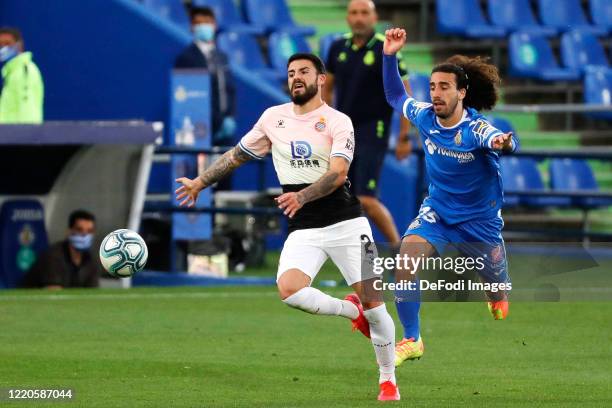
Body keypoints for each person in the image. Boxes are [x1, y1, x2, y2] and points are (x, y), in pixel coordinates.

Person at [176, 53, 401, 401]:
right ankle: (349, 310)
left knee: (376, 304)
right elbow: (237, 155)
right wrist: (199, 183)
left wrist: (303, 196)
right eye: (291, 73)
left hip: (348, 223)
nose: (296, 77)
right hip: (305, 228)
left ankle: (388, 379)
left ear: (321, 79)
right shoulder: (273, 119)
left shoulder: (338, 121)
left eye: (304, 72)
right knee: (290, 291)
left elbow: (338, 173)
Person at [382, 28, 519, 367]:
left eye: (444, 87)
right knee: (406, 260)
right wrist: (388, 56)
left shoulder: (477, 129)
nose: (436, 94)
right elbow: (395, 98)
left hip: (480, 221)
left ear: (462, 92)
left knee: (496, 290)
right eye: (432, 87)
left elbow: (499, 140)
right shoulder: (425, 116)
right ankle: (412, 339)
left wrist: (506, 144)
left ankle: (498, 288)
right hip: (439, 213)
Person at [323, 0, 412, 245]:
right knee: (347, 199)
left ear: (374, 18)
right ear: (348, 18)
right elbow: (327, 89)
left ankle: (398, 248)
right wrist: (324, 124)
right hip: (344, 133)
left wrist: (404, 136)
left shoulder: (386, 48)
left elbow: (405, 94)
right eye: (354, 13)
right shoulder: (337, 47)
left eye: (364, 13)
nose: (359, 18)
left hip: (374, 130)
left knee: (366, 198)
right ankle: (360, 260)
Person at [175, 6, 235, 144]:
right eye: (199, 23)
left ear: (214, 26)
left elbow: (230, 89)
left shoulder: (222, 57)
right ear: (192, 27)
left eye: (207, 22)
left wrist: (230, 116)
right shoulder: (186, 58)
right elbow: (189, 96)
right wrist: (216, 121)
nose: (204, 27)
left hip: (225, 130)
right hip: (200, 128)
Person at [22, 210, 102, 289]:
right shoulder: (53, 256)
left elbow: (91, 292)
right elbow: (54, 292)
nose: (84, 235)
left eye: (89, 231)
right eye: (79, 230)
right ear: (69, 231)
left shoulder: (92, 260)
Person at [0, 27, 44, 124]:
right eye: (0, 45)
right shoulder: (11, 73)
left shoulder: (25, 72)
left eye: (7, 43)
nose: (3, 48)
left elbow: (29, 111)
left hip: (19, 137)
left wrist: (25, 138)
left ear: (19, 45)